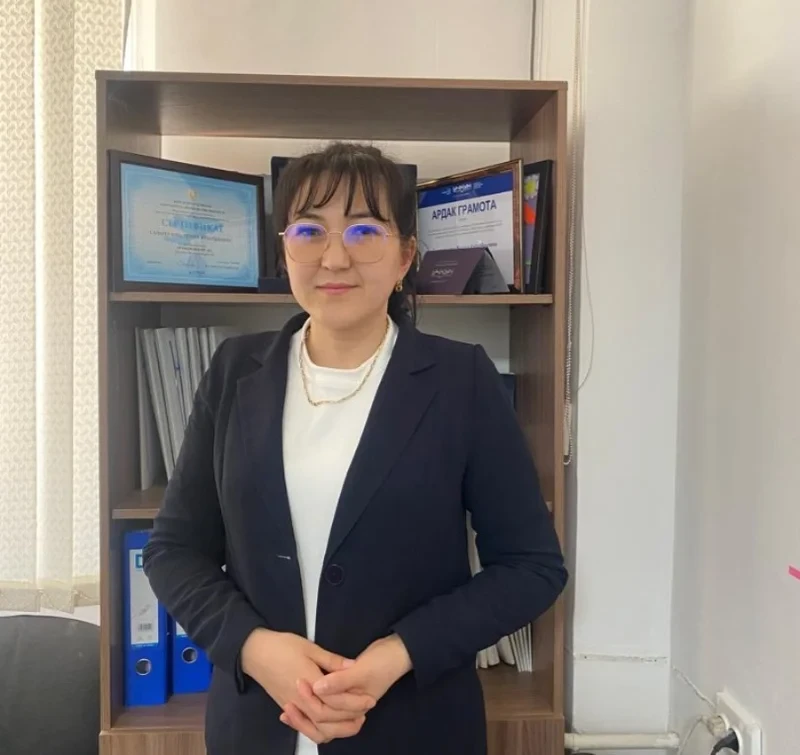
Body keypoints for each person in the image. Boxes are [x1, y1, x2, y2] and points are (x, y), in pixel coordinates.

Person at [142, 142, 568, 755]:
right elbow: (173, 551)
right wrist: (256, 649)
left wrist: (399, 654)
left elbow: (532, 567)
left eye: (365, 230)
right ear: (284, 250)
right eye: (309, 230)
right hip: (258, 726)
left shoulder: (461, 380)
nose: (334, 256)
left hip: (413, 726)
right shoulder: (235, 371)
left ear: (405, 257)